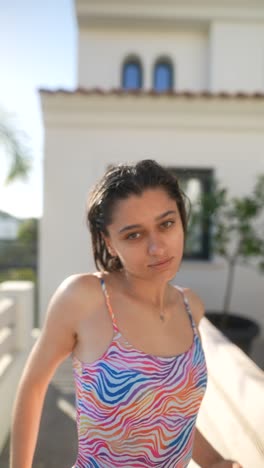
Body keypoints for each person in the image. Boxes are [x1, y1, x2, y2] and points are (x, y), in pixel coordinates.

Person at [10, 160, 243, 468]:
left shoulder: (190, 307)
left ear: (182, 220)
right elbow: (33, 387)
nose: (157, 247)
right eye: (134, 235)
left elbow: (168, 413)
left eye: (166, 224)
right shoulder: (85, 297)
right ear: (109, 241)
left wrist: (213, 461)